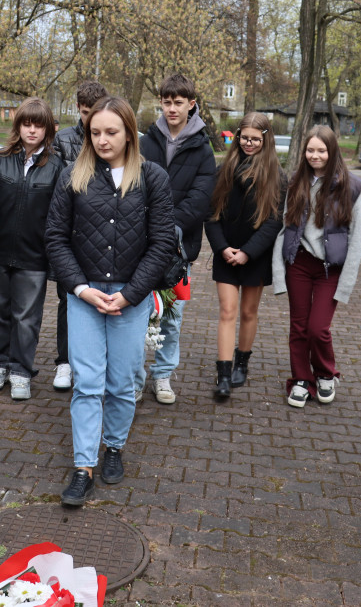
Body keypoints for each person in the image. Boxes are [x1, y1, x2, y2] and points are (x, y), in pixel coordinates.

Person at [45, 96, 174, 507]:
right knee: (87, 381)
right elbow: (55, 238)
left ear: (129, 133)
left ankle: (114, 447)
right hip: (84, 294)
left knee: (121, 381)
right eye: (95, 132)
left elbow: (161, 243)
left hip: (130, 296)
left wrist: (132, 293)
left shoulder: (152, 178)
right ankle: (84, 466)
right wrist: (81, 289)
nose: (102, 139)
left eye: (111, 132)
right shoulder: (73, 175)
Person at [0, 97, 65, 401]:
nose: (32, 130)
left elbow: (59, 218)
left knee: (27, 317)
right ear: (18, 125)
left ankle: (22, 370)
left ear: (48, 128)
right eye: (27, 123)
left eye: (38, 124)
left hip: (33, 257)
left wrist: (52, 259)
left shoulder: (56, 167)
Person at [137, 73, 217, 405]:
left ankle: (163, 375)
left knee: (171, 313)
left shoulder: (202, 148)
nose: (172, 108)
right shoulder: (145, 142)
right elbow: (134, 184)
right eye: (167, 102)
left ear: (191, 104)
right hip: (140, 244)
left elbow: (200, 198)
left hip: (180, 250)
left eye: (178, 102)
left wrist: (168, 228)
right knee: (139, 313)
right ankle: (135, 377)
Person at [272, 125, 361, 408]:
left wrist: (346, 284)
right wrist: (278, 273)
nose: (315, 155)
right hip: (299, 264)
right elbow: (285, 227)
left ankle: (326, 373)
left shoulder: (351, 186)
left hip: (330, 270)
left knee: (318, 328)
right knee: (298, 327)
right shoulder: (296, 181)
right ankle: (301, 380)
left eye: (321, 150)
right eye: (310, 150)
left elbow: (357, 239)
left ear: (332, 151)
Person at [204, 113, 285, 401]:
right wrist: (222, 248)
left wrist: (248, 252)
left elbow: (274, 221)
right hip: (225, 253)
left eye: (255, 139)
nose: (249, 143)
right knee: (227, 312)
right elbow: (211, 216)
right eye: (244, 137)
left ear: (266, 140)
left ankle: (242, 363)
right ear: (237, 137)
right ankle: (223, 374)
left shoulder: (276, 175)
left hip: (256, 255)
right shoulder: (223, 170)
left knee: (248, 312)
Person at [50, 80, 109, 391]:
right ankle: (65, 361)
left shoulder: (113, 139)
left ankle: (97, 364)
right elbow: (56, 190)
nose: (89, 120)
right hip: (72, 234)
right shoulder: (63, 140)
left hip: (104, 234)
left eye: (95, 112)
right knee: (68, 298)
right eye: (85, 113)